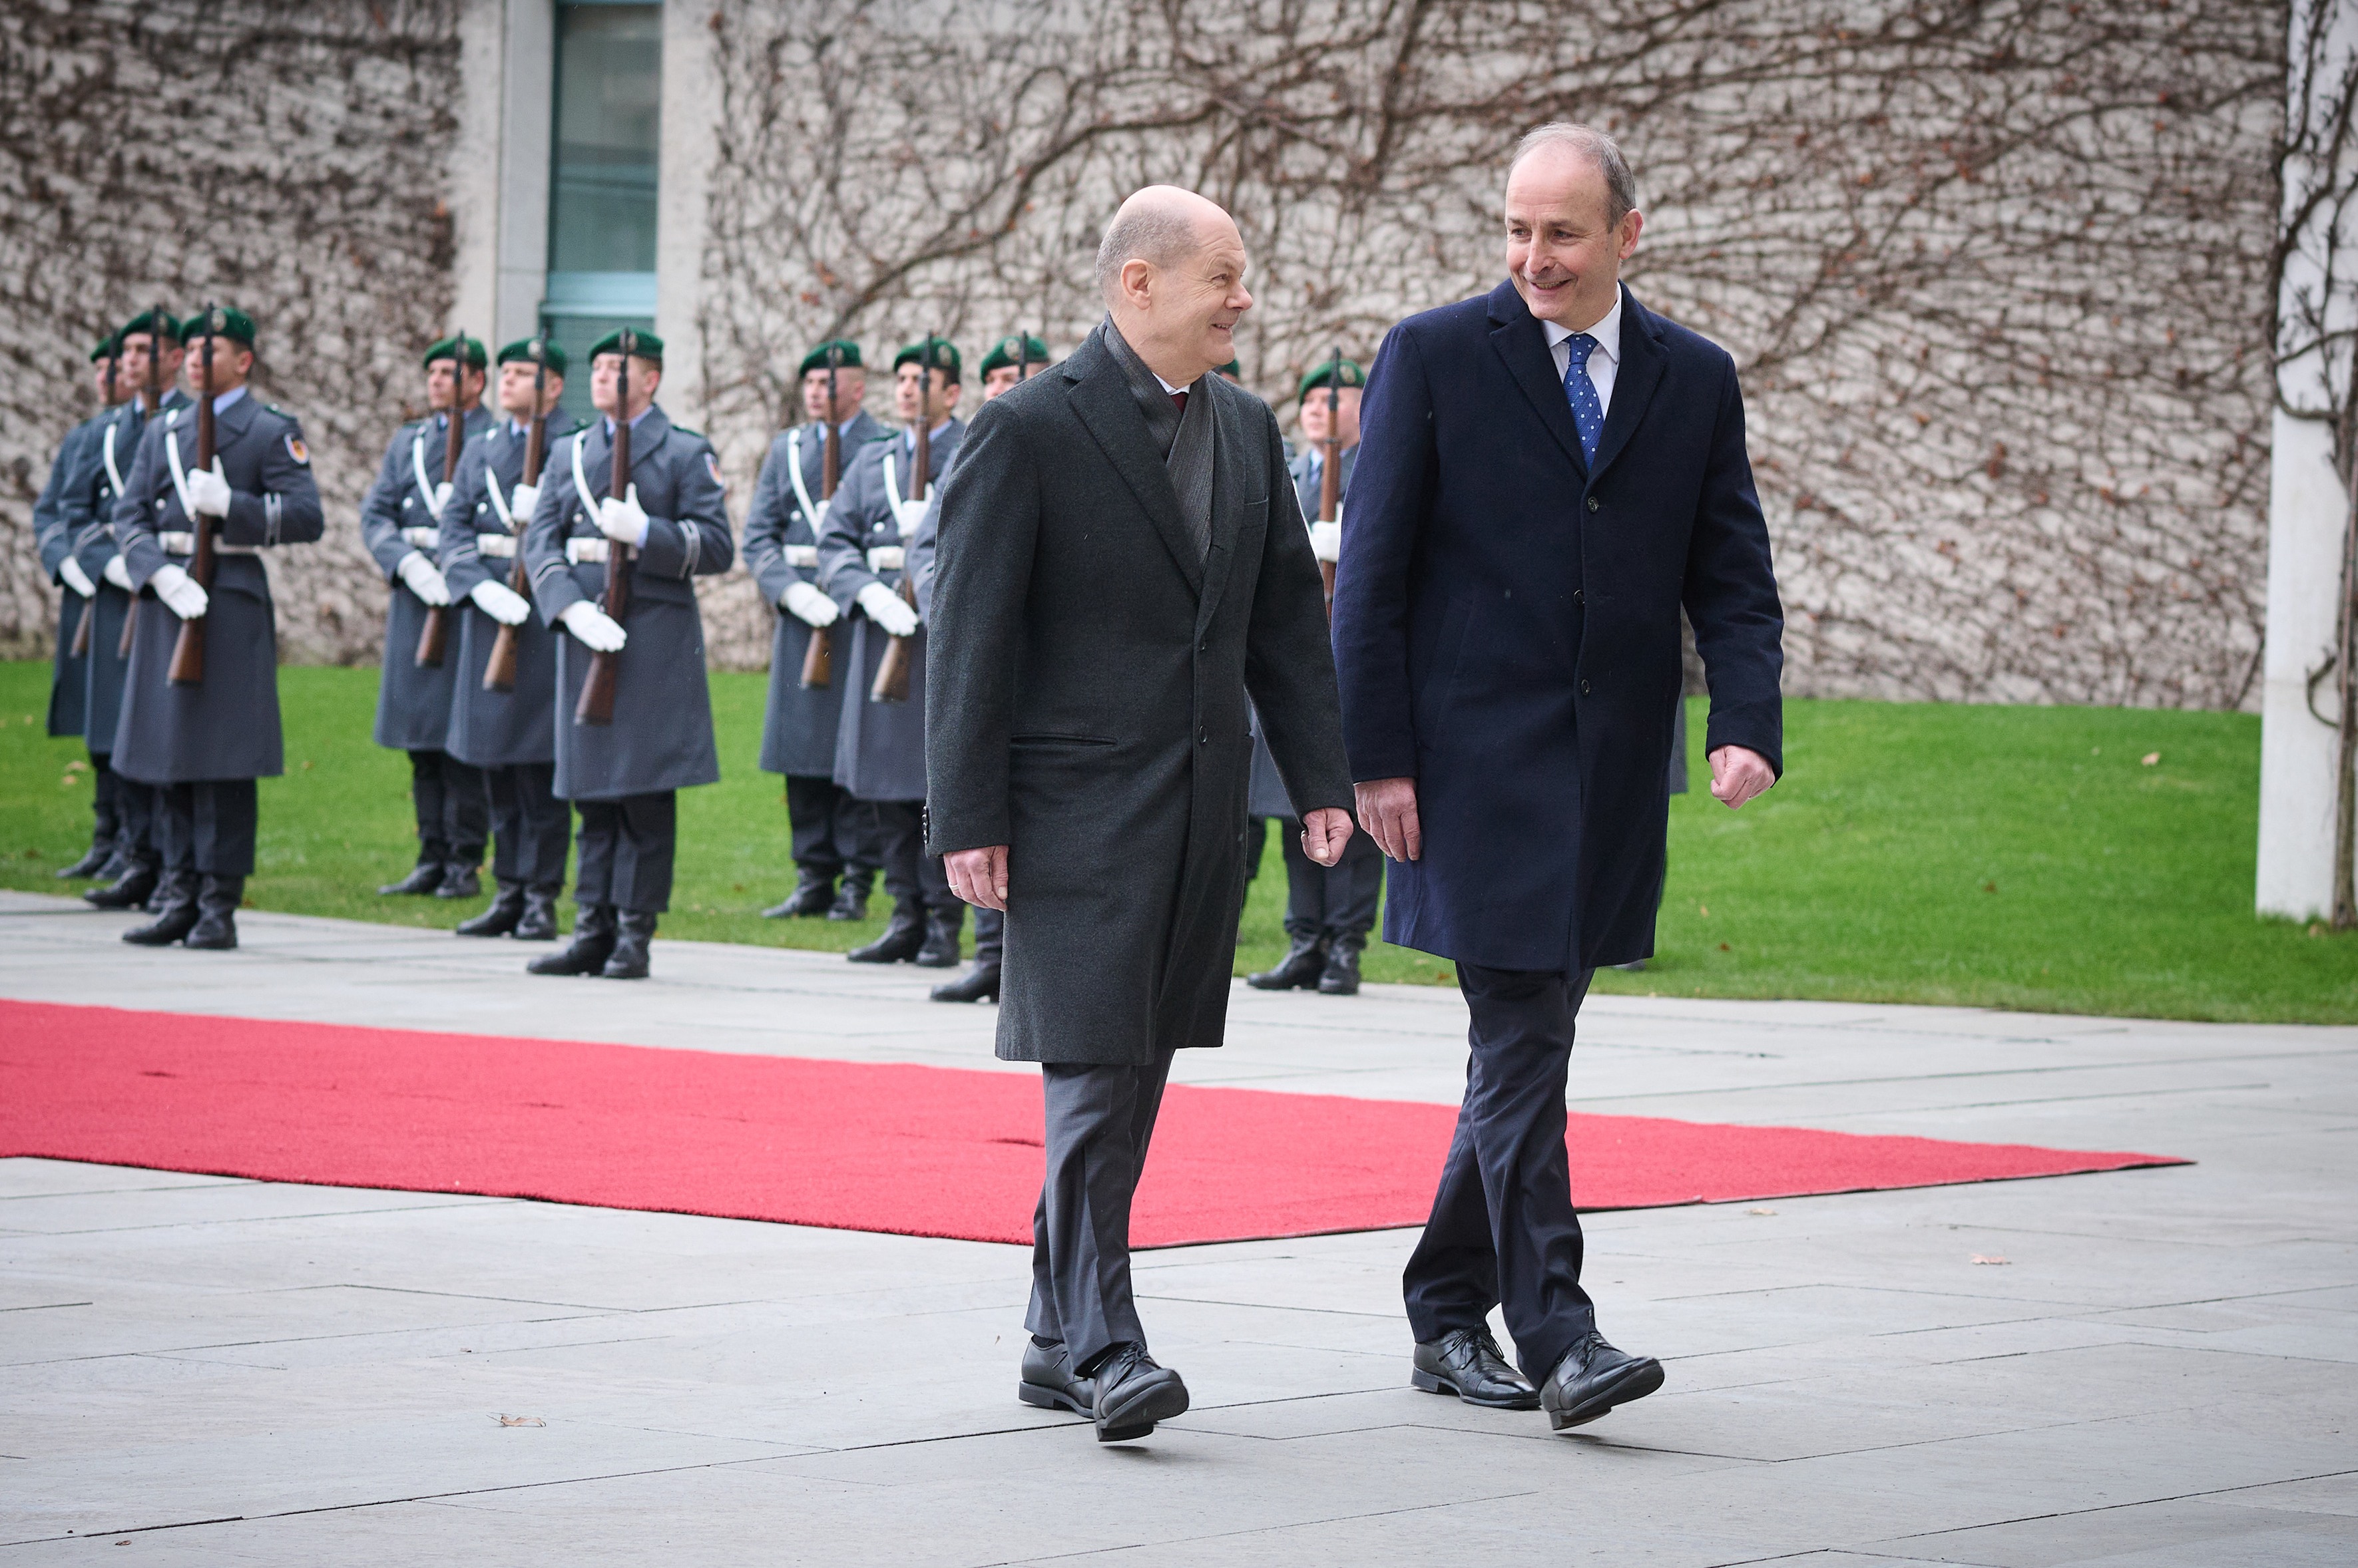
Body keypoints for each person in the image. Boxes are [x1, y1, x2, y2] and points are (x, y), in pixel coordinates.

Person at [1331, 124, 1784, 1432]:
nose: (1534, 256)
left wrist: (1744, 720)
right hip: (1469, 776)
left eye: (1563, 233)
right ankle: (1560, 1334)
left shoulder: (1693, 378)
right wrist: (1376, 760)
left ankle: (1440, 1305)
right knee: (1524, 1033)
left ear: (1625, 235)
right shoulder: (1431, 355)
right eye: (1518, 230)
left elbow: (1731, 571)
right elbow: (1371, 578)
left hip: (1613, 777)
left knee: (1524, 1047)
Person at [927, 187, 1353, 1442]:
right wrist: (966, 814)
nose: (1243, 299)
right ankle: (1108, 1346)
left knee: (1135, 1075)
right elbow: (971, 634)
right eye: (1223, 276)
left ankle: (1050, 1337)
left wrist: (1319, 781)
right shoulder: (1024, 428)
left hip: (1200, 812)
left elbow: (1284, 623)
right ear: (1138, 284)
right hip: (1069, 814)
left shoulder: (1245, 426)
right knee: (1093, 1074)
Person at [108, 305, 325, 950]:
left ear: (244, 360)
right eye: (193, 350)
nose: (197, 359)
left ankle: (218, 905)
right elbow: (129, 515)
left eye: (213, 350)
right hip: (168, 600)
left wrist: (236, 507)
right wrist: (155, 573)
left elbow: (307, 516)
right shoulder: (165, 429)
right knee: (170, 755)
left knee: (224, 763)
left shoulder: (268, 430)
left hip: (228, 599)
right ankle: (178, 896)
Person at [521, 329, 734, 980]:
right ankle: (592, 927)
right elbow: (540, 539)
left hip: (652, 641)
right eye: (599, 365)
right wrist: (567, 606)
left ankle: (634, 933)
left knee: (643, 796)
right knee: (591, 794)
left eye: (618, 365)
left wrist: (648, 533)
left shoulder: (684, 451)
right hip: (588, 635)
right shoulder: (569, 451)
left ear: (651, 379)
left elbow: (717, 546)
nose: (603, 374)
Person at [910, 332, 1051, 1004]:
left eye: (1020, 377)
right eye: (995, 379)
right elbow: (927, 551)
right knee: (975, 799)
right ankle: (988, 951)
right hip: (981, 649)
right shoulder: (985, 442)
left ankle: (1015, 960)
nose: (1006, 388)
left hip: (1040, 661)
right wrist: (953, 608)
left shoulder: (1057, 441)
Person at [817, 339, 963, 968]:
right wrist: (869, 596)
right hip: (883, 634)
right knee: (884, 785)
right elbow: (834, 542)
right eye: (901, 379)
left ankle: (943, 921)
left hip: (942, 639)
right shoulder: (872, 459)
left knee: (936, 787)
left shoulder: (973, 448)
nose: (907, 389)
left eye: (920, 380)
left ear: (952, 393)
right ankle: (905, 914)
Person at [1246, 355, 1383, 996]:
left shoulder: (1377, 470)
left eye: (1337, 399)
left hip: (1350, 660)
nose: (1319, 411)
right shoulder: (1290, 471)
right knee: (1290, 805)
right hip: (1292, 661)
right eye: (1309, 402)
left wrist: (1347, 549)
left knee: (1349, 806)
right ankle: (1304, 940)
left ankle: (1345, 945)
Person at [439, 335, 581, 941]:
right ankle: (508, 890)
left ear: (554, 386)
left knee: (539, 770)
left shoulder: (575, 445)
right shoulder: (483, 447)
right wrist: (477, 587)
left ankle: (541, 896)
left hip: (543, 619)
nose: (509, 381)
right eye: (507, 372)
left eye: (523, 373)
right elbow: (453, 529)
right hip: (492, 614)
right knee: (496, 762)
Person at [743, 339, 887, 922]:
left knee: (854, 750)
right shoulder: (788, 449)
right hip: (805, 617)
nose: (815, 392)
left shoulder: (879, 448)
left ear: (857, 388)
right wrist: (790, 592)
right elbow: (759, 536)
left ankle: (858, 879)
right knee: (801, 749)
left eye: (828, 382)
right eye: (808, 383)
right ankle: (813, 876)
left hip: (859, 614)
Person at [362, 334, 494, 902]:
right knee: (421, 738)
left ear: (477, 381)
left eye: (449, 372)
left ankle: (465, 859)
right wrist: (409, 565)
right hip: (418, 598)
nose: (437, 381)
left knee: (463, 738)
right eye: (433, 372)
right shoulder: (410, 442)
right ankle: (431, 854)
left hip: (469, 600)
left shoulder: (496, 439)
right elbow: (377, 514)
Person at [79, 311, 189, 914]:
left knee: (166, 733)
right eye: (128, 352)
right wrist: (113, 565)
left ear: (173, 358)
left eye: (144, 350)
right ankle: (133, 854)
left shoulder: (189, 424)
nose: (130, 361)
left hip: (176, 593)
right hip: (123, 588)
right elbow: (72, 511)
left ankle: (168, 865)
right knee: (124, 733)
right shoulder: (101, 433)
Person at [34, 337, 131, 879]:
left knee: (125, 717)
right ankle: (106, 836)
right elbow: (53, 511)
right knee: (97, 721)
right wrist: (69, 565)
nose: (103, 379)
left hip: (127, 587)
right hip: (89, 589)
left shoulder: (144, 432)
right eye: (98, 370)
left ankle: (133, 841)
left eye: (112, 368)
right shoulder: (85, 437)